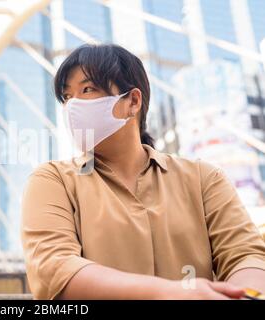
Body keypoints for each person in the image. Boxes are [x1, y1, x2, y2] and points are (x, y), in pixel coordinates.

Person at [20, 44, 265, 300]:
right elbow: (54, 270)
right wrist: (168, 293)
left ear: (133, 101)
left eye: (87, 89)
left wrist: (245, 294)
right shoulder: (52, 180)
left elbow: (246, 255)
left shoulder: (204, 178)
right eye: (67, 97)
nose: (72, 107)